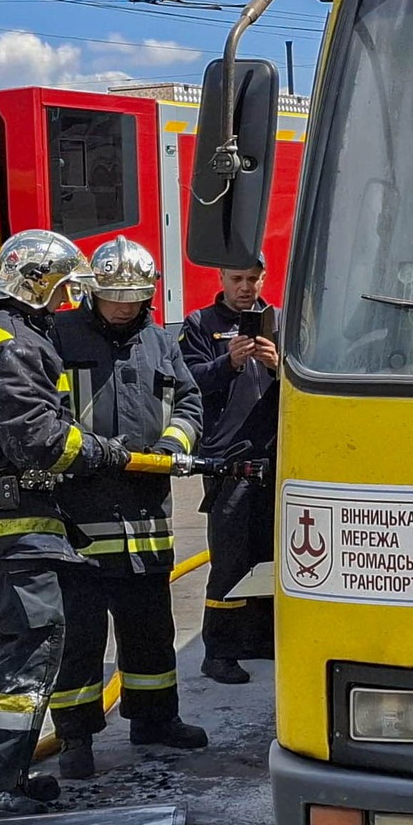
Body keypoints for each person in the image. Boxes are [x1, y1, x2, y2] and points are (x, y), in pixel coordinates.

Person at [0, 231, 132, 818]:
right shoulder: (14, 344)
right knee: (29, 647)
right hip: (10, 529)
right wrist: (105, 452)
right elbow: (39, 440)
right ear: (38, 283)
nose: (69, 300)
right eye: (64, 288)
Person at [50, 237, 207, 780]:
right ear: (93, 292)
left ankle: (156, 720)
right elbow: (44, 413)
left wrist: (171, 447)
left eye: (133, 297)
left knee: (150, 628)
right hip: (78, 516)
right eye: (113, 295)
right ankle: (75, 738)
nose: (123, 305)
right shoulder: (59, 336)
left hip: (145, 515)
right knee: (80, 637)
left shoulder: (162, 342)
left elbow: (188, 402)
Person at [181, 262, 279, 683]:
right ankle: (218, 652)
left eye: (252, 279)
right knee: (230, 562)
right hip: (229, 463)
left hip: (275, 457)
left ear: (264, 278)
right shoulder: (201, 324)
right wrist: (228, 362)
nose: (245, 287)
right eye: (236, 279)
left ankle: (260, 640)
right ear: (221, 279)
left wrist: (279, 364)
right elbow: (186, 381)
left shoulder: (280, 320)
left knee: (272, 556)